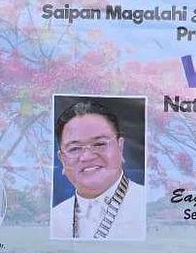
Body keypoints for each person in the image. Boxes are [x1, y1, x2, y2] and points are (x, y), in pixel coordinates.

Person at [50, 100, 144, 240]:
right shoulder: (54, 218)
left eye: (99, 144)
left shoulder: (145, 205)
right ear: (62, 159)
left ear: (120, 147)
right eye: (74, 148)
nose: (87, 157)